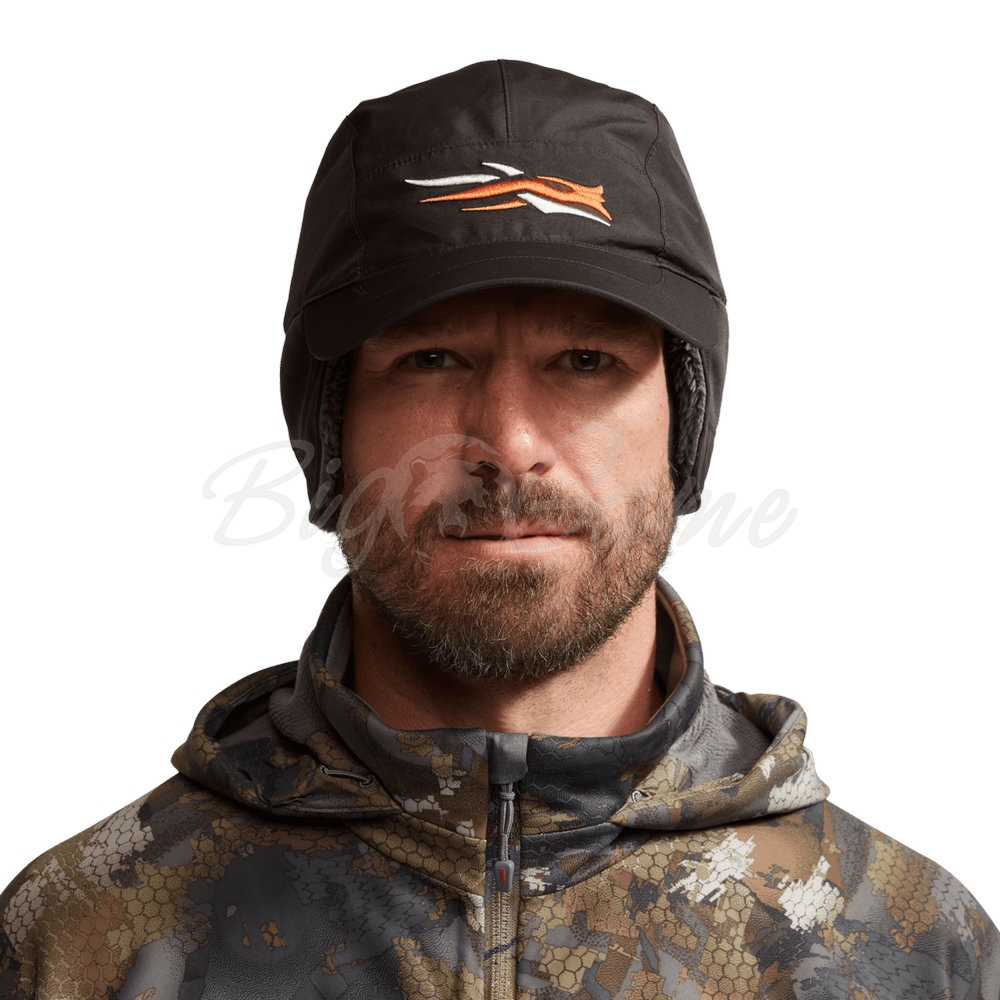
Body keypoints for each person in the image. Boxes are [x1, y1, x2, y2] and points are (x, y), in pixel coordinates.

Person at [2, 59, 996, 1000]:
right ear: (330, 431)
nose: (510, 444)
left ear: (682, 427)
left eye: (586, 361)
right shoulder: (81, 942)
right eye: (432, 358)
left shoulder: (914, 954)